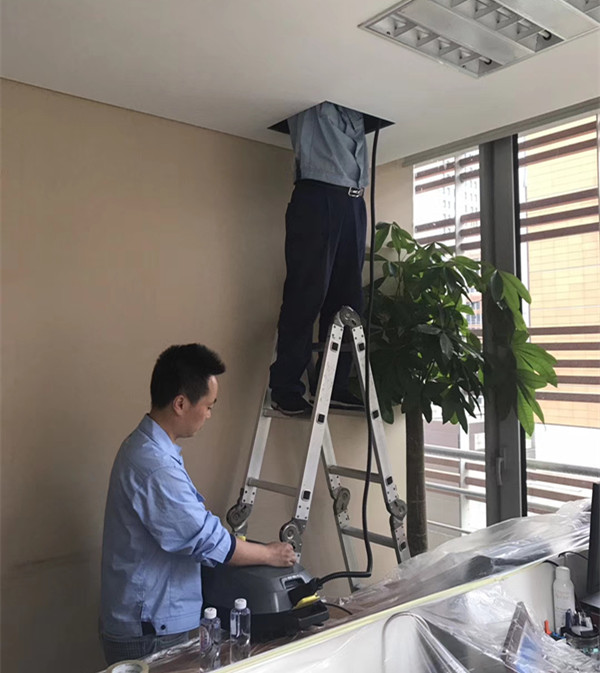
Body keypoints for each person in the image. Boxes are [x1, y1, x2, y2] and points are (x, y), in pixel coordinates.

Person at [100, 344, 295, 665]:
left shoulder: (150, 450)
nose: (208, 415)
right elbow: (204, 538)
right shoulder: (154, 465)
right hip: (150, 631)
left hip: (151, 623)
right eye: (208, 406)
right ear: (180, 404)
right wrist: (269, 554)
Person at [269, 102, 369, 415]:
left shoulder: (358, 106)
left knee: (348, 301)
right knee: (307, 292)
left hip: (355, 201)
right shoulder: (313, 100)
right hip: (317, 195)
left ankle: (335, 386)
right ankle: (285, 388)